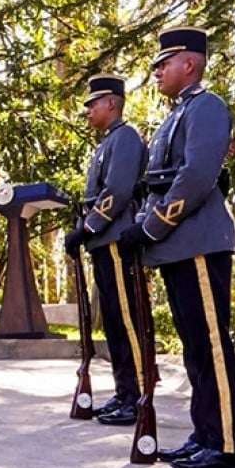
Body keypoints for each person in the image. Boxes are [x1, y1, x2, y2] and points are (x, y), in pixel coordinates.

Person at [118, 25, 235, 468]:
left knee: (211, 346)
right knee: (195, 349)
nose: (156, 71)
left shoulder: (206, 106)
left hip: (198, 243)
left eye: (164, 63)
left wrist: (150, 228)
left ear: (189, 64)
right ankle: (204, 433)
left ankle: (225, 444)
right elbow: (158, 182)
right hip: (178, 246)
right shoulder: (176, 114)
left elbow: (195, 177)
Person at [63, 73, 149, 427]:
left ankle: (140, 395)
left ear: (111, 103)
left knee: (127, 320)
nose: (88, 110)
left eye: (93, 103)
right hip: (103, 240)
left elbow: (117, 191)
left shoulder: (125, 137)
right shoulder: (107, 142)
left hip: (115, 238)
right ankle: (124, 391)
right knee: (113, 321)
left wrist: (89, 227)